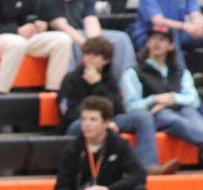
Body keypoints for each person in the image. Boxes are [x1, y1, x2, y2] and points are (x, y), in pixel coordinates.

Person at [121, 26, 203, 177]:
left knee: (197, 121)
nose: (156, 43)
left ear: (171, 45)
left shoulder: (180, 72)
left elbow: (193, 99)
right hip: (155, 112)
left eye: (162, 39)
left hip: (180, 108)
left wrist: (171, 98)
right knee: (174, 120)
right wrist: (154, 99)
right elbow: (131, 105)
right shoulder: (134, 72)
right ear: (147, 43)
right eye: (153, 39)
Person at [57, 36, 175, 174]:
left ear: (105, 60)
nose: (88, 59)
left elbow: (118, 108)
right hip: (78, 124)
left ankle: (148, 165)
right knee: (96, 126)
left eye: (94, 56)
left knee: (143, 117)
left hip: (108, 120)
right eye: (86, 54)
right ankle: (116, 171)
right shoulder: (71, 79)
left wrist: (97, 85)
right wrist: (99, 121)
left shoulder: (107, 79)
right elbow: (68, 113)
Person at [37, 0, 136, 79]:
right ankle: (71, 83)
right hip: (62, 35)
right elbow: (62, 26)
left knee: (121, 39)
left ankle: (125, 84)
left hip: (84, 34)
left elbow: (91, 21)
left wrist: (97, 45)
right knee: (69, 42)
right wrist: (88, 47)